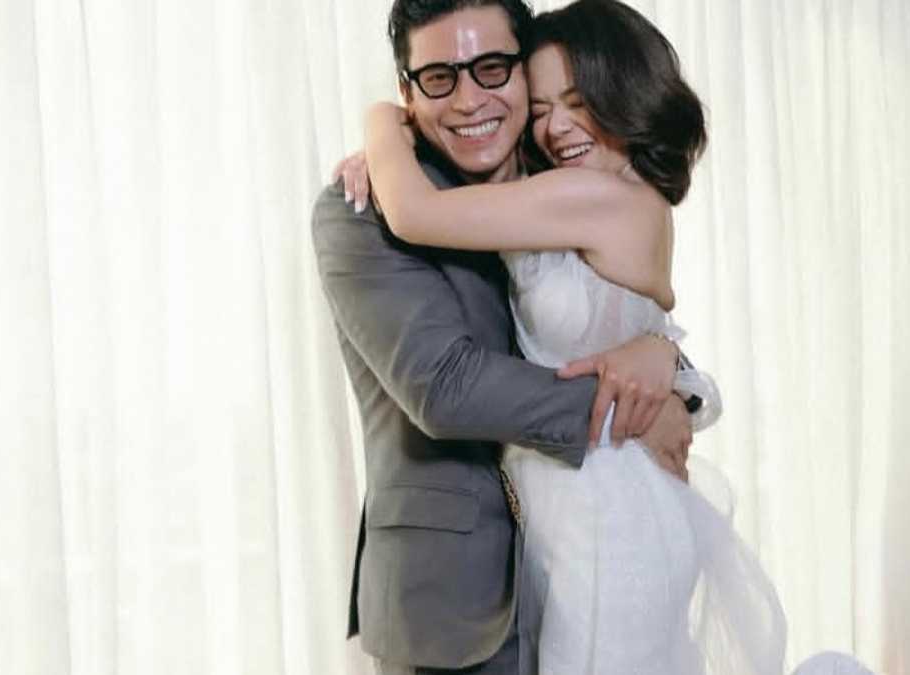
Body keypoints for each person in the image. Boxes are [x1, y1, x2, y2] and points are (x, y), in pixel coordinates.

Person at [353, 1, 876, 674]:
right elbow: (631, 333)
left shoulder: (599, 200)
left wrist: (381, 121)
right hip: (577, 506)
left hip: (608, 513)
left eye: (580, 103)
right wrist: (666, 365)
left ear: (626, 95)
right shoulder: (566, 192)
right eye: (543, 108)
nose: (556, 126)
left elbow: (414, 211)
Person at [311, 1, 703, 673]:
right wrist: (632, 412)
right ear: (408, 91)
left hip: (597, 537)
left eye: (492, 68)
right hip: (454, 595)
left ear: (521, 72)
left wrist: (670, 368)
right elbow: (446, 387)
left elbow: (628, 324)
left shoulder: (571, 186)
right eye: (440, 77)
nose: (470, 99)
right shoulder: (363, 207)